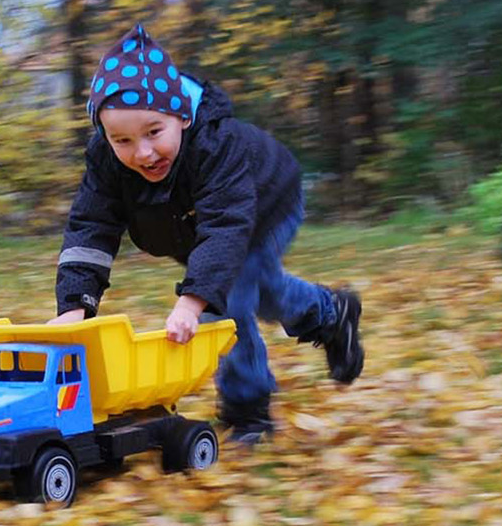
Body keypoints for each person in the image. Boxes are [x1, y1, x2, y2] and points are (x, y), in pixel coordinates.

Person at [47, 24, 364, 445]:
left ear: (181, 115)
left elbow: (225, 227)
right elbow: (90, 228)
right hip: (199, 228)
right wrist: (75, 306)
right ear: (104, 136)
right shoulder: (107, 164)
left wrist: (192, 301)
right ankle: (331, 314)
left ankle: (247, 411)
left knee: (228, 300)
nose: (141, 152)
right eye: (121, 139)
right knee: (262, 291)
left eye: (154, 132)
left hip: (268, 202)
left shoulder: (216, 144)